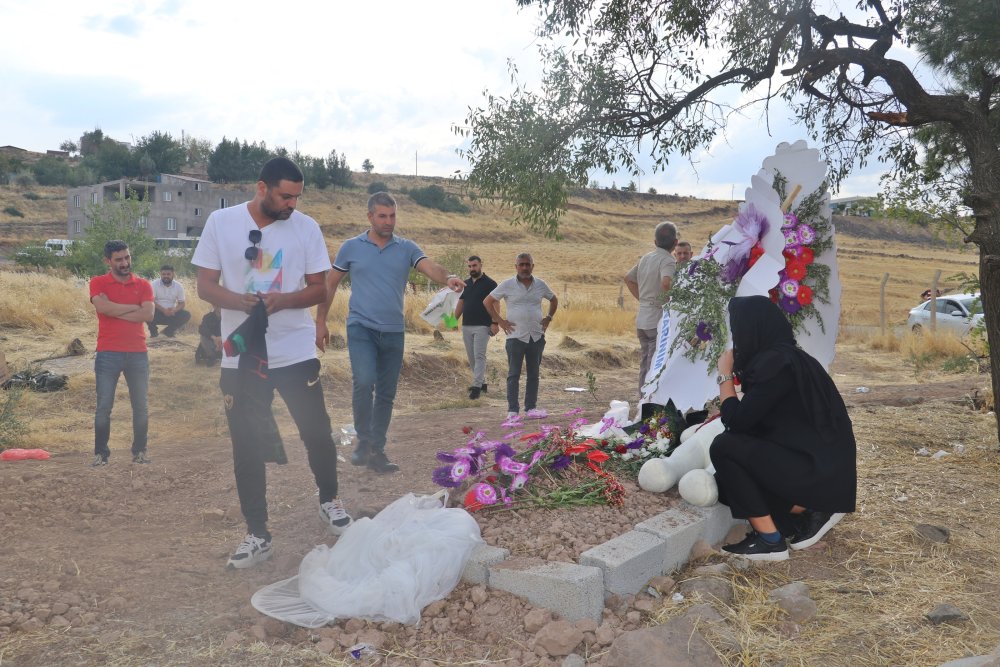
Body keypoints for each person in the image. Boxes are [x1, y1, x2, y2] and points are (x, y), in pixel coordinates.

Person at [192, 157, 351, 570]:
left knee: (316, 433)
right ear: (261, 188)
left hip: (295, 352)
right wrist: (241, 302)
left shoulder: (306, 228)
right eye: (285, 196)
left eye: (297, 197)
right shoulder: (220, 222)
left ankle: (329, 500)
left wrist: (282, 301)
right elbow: (205, 285)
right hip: (242, 356)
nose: (292, 204)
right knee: (246, 444)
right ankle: (257, 533)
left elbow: (318, 290)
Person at [316, 192, 465, 474]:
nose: (388, 221)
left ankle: (376, 450)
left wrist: (448, 278)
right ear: (370, 216)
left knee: (385, 393)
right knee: (364, 380)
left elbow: (429, 266)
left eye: (392, 215)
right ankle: (363, 440)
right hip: (361, 327)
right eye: (382, 216)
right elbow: (330, 284)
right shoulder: (351, 247)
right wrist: (320, 322)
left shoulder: (406, 247)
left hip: (394, 331)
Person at [711, 296, 857, 561]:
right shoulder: (788, 358)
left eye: (738, 330)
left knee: (723, 447)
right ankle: (805, 509)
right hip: (820, 466)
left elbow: (736, 422)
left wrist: (724, 376)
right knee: (725, 483)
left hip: (818, 471)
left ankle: (770, 541)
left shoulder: (775, 364)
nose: (737, 338)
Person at [89, 240, 155, 466]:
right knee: (104, 406)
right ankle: (101, 454)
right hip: (108, 352)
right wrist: (134, 308)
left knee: (141, 406)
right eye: (119, 259)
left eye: (127, 257)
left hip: (138, 353)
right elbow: (102, 308)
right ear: (108, 261)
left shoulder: (144, 284)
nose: (125, 262)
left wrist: (114, 309)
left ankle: (140, 452)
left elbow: (148, 315)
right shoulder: (97, 282)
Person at [484, 253, 558, 417]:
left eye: (527, 264)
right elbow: (487, 302)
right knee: (513, 374)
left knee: (534, 374)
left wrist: (548, 318)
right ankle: (512, 411)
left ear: (533, 266)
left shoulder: (540, 284)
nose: (525, 267)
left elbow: (554, 300)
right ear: (516, 267)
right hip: (515, 336)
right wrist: (500, 321)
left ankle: (531, 409)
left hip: (536, 337)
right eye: (521, 264)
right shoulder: (507, 284)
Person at [624, 221, 678, 391]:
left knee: (645, 362)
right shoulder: (668, 260)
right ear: (675, 243)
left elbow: (628, 278)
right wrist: (669, 301)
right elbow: (666, 282)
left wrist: (643, 299)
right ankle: (648, 401)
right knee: (654, 364)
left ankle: (642, 399)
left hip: (643, 316)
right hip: (657, 318)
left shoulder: (646, 257)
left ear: (655, 242)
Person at [454, 255, 498, 399]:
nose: (472, 268)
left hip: (483, 326)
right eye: (470, 266)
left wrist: (495, 323)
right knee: (472, 358)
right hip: (466, 326)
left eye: (474, 266)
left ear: (480, 265)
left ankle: (476, 388)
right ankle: (482, 383)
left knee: (479, 356)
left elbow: (496, 303)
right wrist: (451, 321)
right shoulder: (465, 284)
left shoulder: (490, 283)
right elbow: (461, 303)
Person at [148, 265, 191, 337]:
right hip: (157, 312)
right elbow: (151, 301)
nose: (166, 276)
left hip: (172, 313)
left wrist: (175, 310)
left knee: (186, 315)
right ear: (160, 274)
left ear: (173, 274)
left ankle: (168, 331)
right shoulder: (154, 284)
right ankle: (153, 333)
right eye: (163, 274)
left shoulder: (178, 286)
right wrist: (164, 310)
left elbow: (182, 303)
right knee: (147, 310)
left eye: (168, 274)